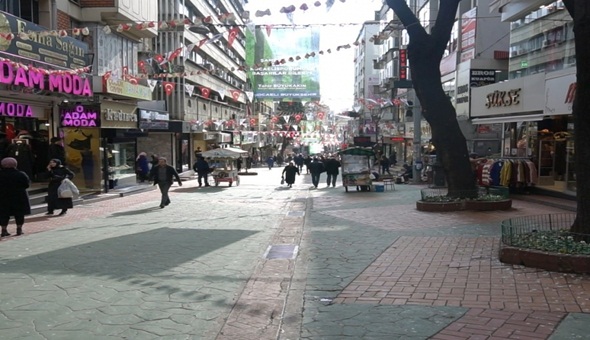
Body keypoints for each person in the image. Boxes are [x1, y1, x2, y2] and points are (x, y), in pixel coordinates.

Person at [0, 157, 30, 237]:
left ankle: (3, 230)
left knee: (3, 214)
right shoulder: (21, 174)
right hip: (19, 197)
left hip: (3, 197)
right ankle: (19, 229)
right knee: (19, 213)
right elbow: (26, 185)